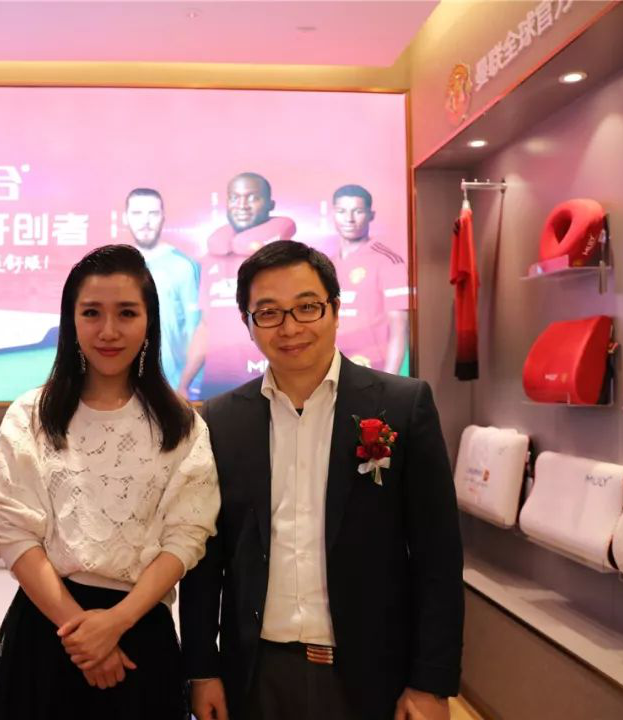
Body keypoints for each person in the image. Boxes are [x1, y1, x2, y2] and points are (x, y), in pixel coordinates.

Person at [181, 240, 463, 720]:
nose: (290, 327)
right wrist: (202, 670)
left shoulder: (401, 405)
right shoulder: (221, 420)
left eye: (307, 307)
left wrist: (431, 684)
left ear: (334, 309)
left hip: (371, 673)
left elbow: (437, 556)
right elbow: (206, 561)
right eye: (268, 313)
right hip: (256, 673)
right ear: (249, 324)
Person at [0, 244, 220, 719]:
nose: (109, 330)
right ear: (71, 321)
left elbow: (187, 537)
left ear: (148, 321)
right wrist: (82, 632)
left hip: (140, 634)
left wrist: (116, 624)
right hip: (50, 632)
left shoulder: (181, 425)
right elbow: (13, 531)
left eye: (126, 313)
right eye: (92, 313)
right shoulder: (30, 416)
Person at [179, 172, 296, 397]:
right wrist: (184, 383)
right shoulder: (210, 260)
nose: (242, 205)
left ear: (270, 204)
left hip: (270, 384)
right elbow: (206, 326)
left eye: (252, 197)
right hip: (216, 385)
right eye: (234, 197)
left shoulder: (289, 259)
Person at [122, 188, 203, 398]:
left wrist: (185, 386)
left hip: (172, 390)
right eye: (137, 213)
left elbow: (197, 332)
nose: (145, 221)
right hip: (122, 391)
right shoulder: (115, 267)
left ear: (163, 218)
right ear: (125, 218)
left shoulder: (184, 266)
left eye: (153, 213)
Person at [331, 184, 410, 375]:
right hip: (333, 370)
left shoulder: (389, 261)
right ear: (333, 215)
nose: (349, 219)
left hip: (373, 370)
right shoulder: (327, 264)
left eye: (357, 211)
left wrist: (390, 380)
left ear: (371, 215)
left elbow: (400, 327)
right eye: (342, 211)